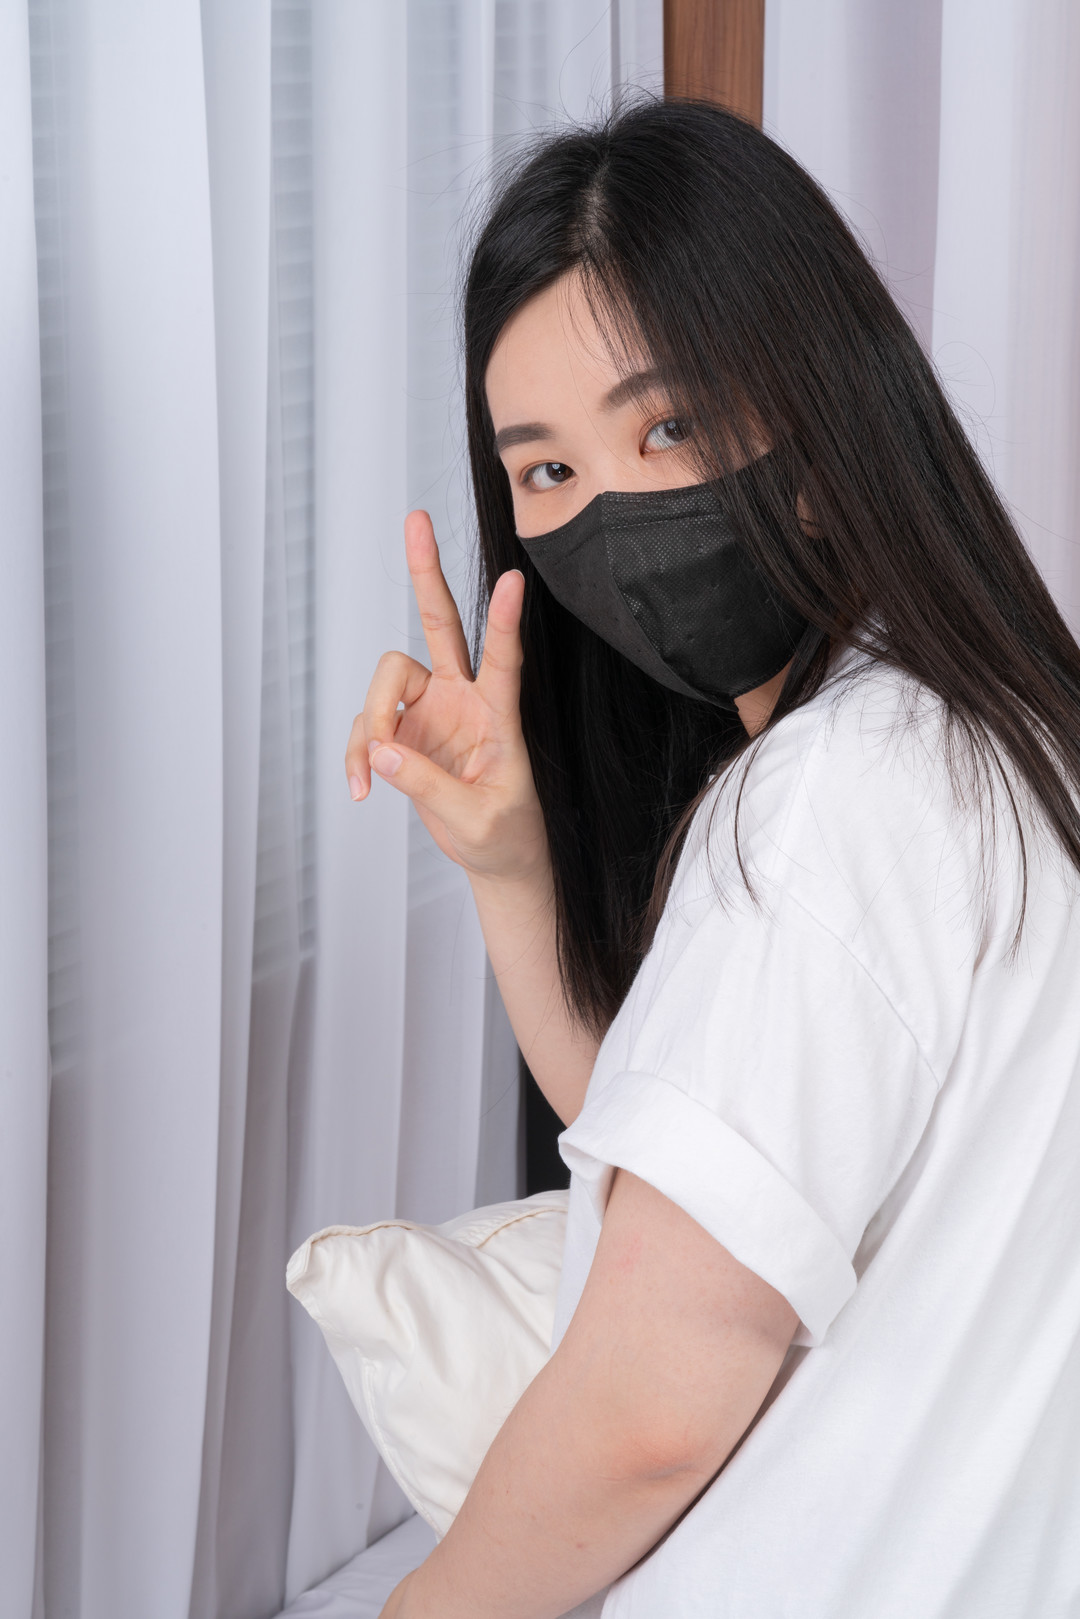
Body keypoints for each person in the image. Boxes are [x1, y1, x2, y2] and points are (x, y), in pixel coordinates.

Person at [346, 99, 1080, 1618]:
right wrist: (510, 864)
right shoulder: (994, 733)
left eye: (669, 426)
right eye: (547, 474)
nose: (612, 511)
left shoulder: (828, 799)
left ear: (817, 409)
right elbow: (708, 1171)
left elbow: (650, 1413)